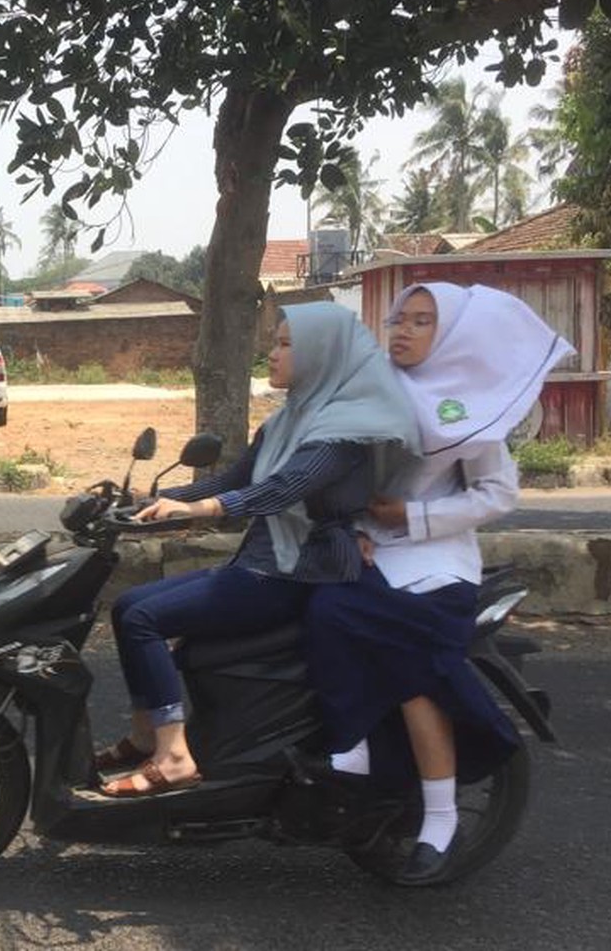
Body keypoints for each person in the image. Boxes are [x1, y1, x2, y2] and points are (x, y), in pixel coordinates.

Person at [302, 282, 573, 884]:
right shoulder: (369, 388)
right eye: (398, 318)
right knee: (321, 612)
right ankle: (350, 742)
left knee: (411, 675)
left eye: (422, 322)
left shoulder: (465, 409)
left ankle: (442, 814)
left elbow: (498, 493)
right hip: (369, 553)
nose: (403, 330)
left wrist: (413, 517)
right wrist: (349, 524)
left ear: (448, 335)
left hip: (434, 564)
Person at [95, 302, 420, 798]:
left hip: (296, 574)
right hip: (262, 562)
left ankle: (176, 756)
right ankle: (146, 734)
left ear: (322, 356)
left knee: (145, 620)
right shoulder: (288, 419)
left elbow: (282, 489)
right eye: (276, 342)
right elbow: (234, 477)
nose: (272, 354)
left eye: (287, 345)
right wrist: (151, 501)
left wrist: (201, 511)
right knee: (127, 607)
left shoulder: (341, 433)